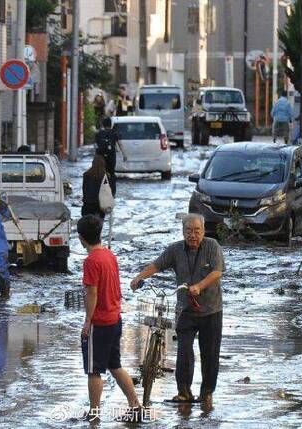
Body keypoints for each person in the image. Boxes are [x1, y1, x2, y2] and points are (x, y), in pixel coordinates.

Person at [130, 213, 224, 409]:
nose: (193, 235)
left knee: (210, 354)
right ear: (183, 232)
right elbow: (157, 265)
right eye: (188, 231)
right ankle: (183, 392)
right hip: (185, 310)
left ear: (203, 231)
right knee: (184, 352)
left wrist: (199, 285)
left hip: (211, 310)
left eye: (196, 231)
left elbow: (217, 271)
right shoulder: (175, 250)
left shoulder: (212, 246)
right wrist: (139, 277)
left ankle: (206, 393)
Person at [78, 215, 141, 421]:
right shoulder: (109, 255)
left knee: (93, 370)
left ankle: (94, 413)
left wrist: (87, 321)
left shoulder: (91, 261)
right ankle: (135, 404)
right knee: (115, 365)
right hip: (115, 318)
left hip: (100, 322)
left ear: (81, 238)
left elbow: (92, 293)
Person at [95, 117, 127, 196]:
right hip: (111, 156)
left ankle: (101, 191)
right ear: (110, 124)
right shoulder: (114, 133)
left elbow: (96, 145)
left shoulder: (99, 133)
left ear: (103, 124)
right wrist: (124, 154)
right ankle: (112, 192)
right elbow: (120, 144)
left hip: (100, 157)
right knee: (111, 173)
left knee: (101, 173)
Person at [82, 155, 108, 219]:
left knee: (87, 226)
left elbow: (84, 190)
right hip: (100, 206)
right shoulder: (105, 176)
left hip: (87, 205)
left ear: (92, 163)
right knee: (98, 226)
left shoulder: (86, 175)